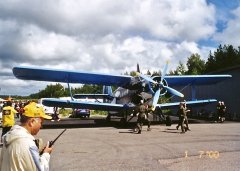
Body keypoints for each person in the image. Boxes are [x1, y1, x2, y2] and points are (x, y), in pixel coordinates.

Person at [0, 102, 53, 171]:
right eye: (41, 122)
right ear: (32, 122)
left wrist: (37, 154)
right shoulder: (28, 144)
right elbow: (41, 169)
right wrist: (46, 154)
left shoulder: (9, 136)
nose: (41, 126)